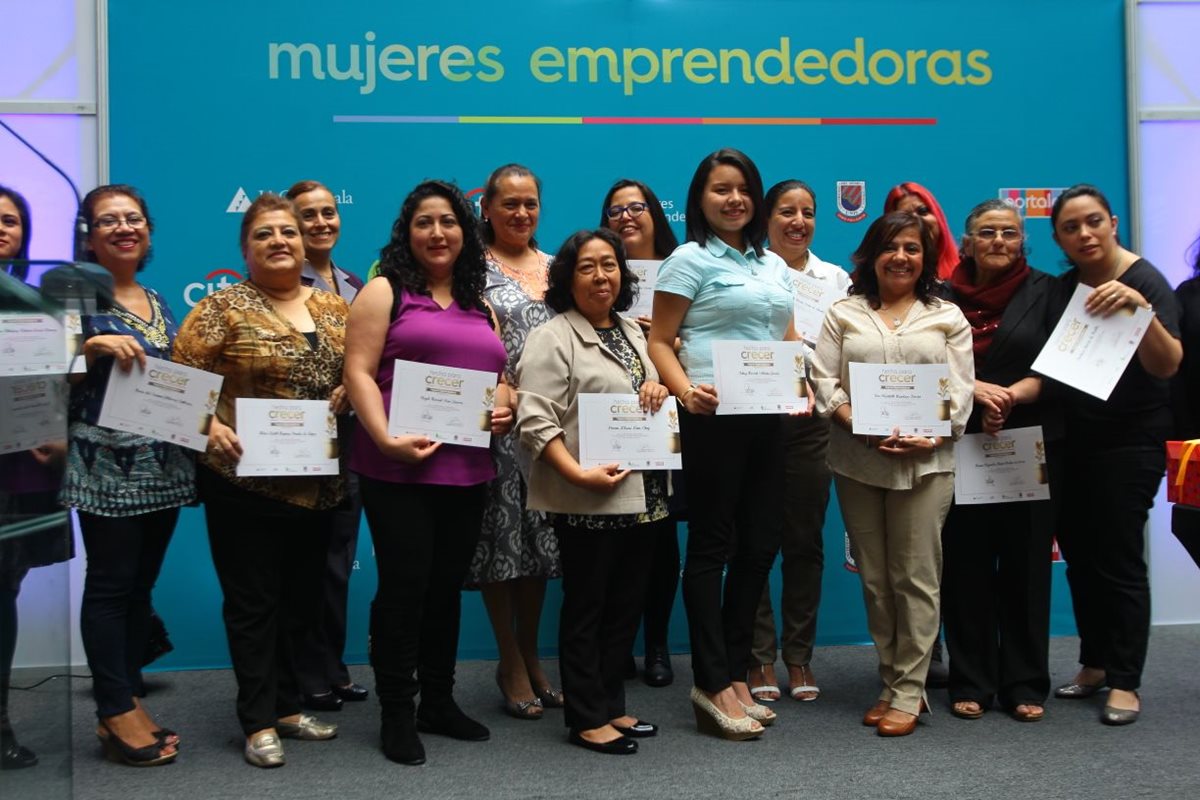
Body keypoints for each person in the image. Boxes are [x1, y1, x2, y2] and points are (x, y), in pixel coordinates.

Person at [173, 193, 348, 767]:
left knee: (303, 600)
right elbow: (175, 389)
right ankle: (256, 721)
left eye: (289, 234)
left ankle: (290, 706)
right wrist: (207, 427)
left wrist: (349, 392)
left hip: (317, 483)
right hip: (243, 483)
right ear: (244, 248)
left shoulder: (332, 309)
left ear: (304, 245)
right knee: (254, 604)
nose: (280, 242)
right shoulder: (220, 309)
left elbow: (362, 373)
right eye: (265, 234)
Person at [343, 180, 511, 765]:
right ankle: (397, 711)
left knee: (445, 591)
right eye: (424, 223)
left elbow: (497, 371)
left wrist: (506, 402)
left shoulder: (478, 300)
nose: (437, 233)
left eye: (448, 222)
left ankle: (438, 701)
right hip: (399, 470)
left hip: (468, 469)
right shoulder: (385, 291)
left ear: (465, 232)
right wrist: (385, 439)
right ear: (406, 232)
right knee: (404, 590)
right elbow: (359, 372)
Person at [648, 148, 800, 740]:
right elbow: (662, 341)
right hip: (711, 418)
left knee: (761, 545)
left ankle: (737, 672)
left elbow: (787, 338)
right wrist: (685, 392)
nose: (733, 199)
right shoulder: (687, 260)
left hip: (769, 418)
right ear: (700, 200)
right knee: (713, 545)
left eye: (742, 189)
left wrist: (801, 382)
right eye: (720, 190)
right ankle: (710, 681)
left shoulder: (773, 265)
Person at [810, 211, 974, 737]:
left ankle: (909, 690)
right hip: (859, 461)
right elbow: (822, 382)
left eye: (912, 248)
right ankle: (891, 681)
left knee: (917, 580)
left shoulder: (946, 316)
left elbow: (961, 391)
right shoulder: (843, 313)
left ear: (925, 258)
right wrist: (856, 421)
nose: (900, 257)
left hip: (927, 463)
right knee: (878, 583)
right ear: (871, 254)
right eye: (890, 247)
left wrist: (936, 431)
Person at [516, 228, 671, 755]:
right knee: (587, 605)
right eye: (587, 267)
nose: (601, 276)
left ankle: (611, 703)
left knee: (624, 605)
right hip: (588, 495)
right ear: (566, 277)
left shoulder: (632, 331)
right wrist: (575, 473)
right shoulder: (553, 336)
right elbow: (534, 419)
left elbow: (652, 398)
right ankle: (585, 716)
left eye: (610, 265)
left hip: (644, 495)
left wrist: (656, 386)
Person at [59, 184, 195, 766]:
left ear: (148, 231)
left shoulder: (156, 298)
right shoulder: (70, 293)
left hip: (163, 464)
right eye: (108, 221)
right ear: (88, 236)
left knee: (139, 585)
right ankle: (113, 710)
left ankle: (129, 693)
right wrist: (90, 348)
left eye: (133, 219)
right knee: (111, 586)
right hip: (103, 466)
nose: (123, 228)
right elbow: (46, 369)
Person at [1047, 184, 1181, 726]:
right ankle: (1096, 662)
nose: (1084, 234)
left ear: (1113, 222)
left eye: (1093, 222)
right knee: (1079, 556)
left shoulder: (1146, 280)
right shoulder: (1064, 288)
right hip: (1072, 440)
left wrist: (1140, 311)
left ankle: (1127, 681)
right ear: (1058, 237)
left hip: (1131, 441)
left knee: (1119, 557)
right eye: (1071, 227)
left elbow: (1168, 365)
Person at [941, 199, 1059, 723]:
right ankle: (971, 678)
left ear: (1022, 243)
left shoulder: (1050, 292)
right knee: (964, 565)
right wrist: (975, 392)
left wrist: (1010, 395)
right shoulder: (939, 294)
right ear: (966, 242)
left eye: (1009, 234)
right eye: (986, 232)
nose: (997, 242)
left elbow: (1062, 367)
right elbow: (922, 361)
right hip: (959, 439)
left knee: (1027, 566)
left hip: (1026, 439)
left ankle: (1025, 681)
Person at [747, 180, 851, 704]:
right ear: (766, 219)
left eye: (807, 212)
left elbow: (846, 351)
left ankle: (798, 655)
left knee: (804, 540)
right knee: (755, 537)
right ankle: (759, 656)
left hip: (812, 418)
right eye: (786, 211)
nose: (798, 221)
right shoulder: (745, 269)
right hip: (755, 413)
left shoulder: (836, 278)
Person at [467, 163, 561, 719]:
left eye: (530, 203)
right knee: (502, 544)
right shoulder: (470, 269)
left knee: (542, 545)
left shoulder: (557, 267)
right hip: (499, 427)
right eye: (509, 204)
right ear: (487, 208)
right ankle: (510, 660)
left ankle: (532, 652)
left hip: (553, 427)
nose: (521, 213)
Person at [283, 180, 368, 712]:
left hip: (350, 441)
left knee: (338, 558)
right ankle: (300, 671)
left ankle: (331, 666)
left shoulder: (355, 284)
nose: (320, 224)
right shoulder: (278, 283)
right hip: (292, 442)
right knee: (300, 562)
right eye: (307, 216)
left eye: (328, 213)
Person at [598, 178, 681, 688]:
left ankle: (656, 645)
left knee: (662, 532)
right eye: (615, 210)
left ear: (655, 213)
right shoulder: (598, 266)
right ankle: (616, 641)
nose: (626, 216)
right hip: (607, 415)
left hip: (668, 411)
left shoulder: (682, 267)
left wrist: (666, 335)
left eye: (637, 207)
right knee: (611, 525)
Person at [0, 185, 73, 770]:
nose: (2, 229)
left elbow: (52, 383)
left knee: (4, 593)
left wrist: (58, 429)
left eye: (10, 221)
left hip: (20, 466)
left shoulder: (36, 304)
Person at [884, 182, 958, 282]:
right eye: (906, 216)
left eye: (923, 211)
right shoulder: (871, 279)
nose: (917, 221)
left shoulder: (965, 273)